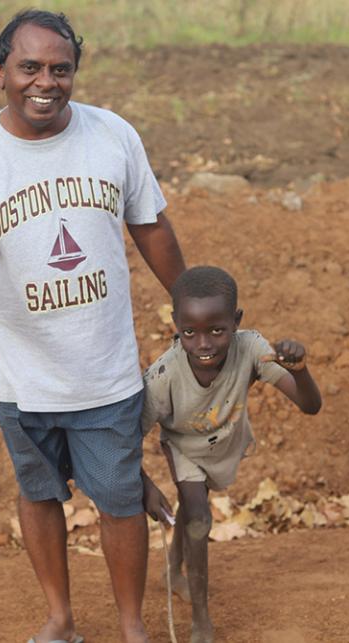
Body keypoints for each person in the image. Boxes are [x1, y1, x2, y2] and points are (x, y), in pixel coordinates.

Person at [0, 9, 185, 643]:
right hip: (20, 376)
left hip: (104, 368)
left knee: (120, 502)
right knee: (39, 496)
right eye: (29, 67)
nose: (46, 81)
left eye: (60, 69)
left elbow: (150, 226)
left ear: (74, 73)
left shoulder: (113, 134)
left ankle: (131, 628)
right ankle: (61, 621)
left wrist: (194, 303)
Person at [141, 265, 321, 643]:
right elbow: (125, 439)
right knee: (199, 518)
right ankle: (201, 620)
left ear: (236, 321)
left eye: (217, 330)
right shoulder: (162, 377)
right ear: (175, 323)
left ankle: (173, 571)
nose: (203, 344)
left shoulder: (252, 348)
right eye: (189, 332)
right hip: (183, 446)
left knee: (191, 511)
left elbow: (310, 405)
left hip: (224, 442)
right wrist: (145, 485)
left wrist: (300, 370)